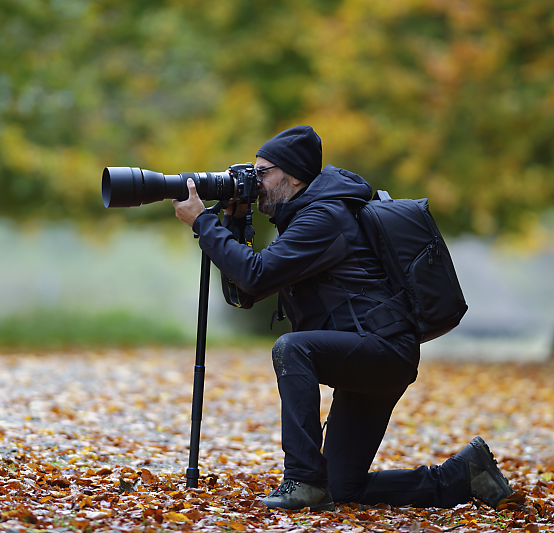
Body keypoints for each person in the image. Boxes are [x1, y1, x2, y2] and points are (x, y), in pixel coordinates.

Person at [172, 125, 512, 511]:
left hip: (381, 350)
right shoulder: (305, 215)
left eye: (263, 172)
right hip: (368, 353)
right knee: (343, 489)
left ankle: (301, 477)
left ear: (294, 174)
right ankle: (462, 475)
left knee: (292, 349)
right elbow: (245, 293)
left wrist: (204, 224)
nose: (255, 182)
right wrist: (230, 224)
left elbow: (256, 274)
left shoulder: (325, 217)